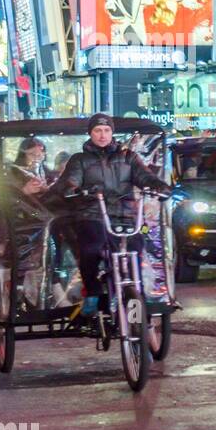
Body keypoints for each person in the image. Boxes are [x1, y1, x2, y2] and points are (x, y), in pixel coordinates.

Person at [43, 114, 170, 316]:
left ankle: (136, 292)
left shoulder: (129, 157)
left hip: (126, 216)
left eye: (106, 130)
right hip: (92, 214)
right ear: (91, 133)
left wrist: (159, 187)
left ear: (112, 133)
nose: (102, 135)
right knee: (92, 247)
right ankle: (92, 290)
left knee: (136, 247)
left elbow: (145, 177)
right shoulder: (80, 160)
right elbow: (69, 182)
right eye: (97, 131)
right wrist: (73, 189)